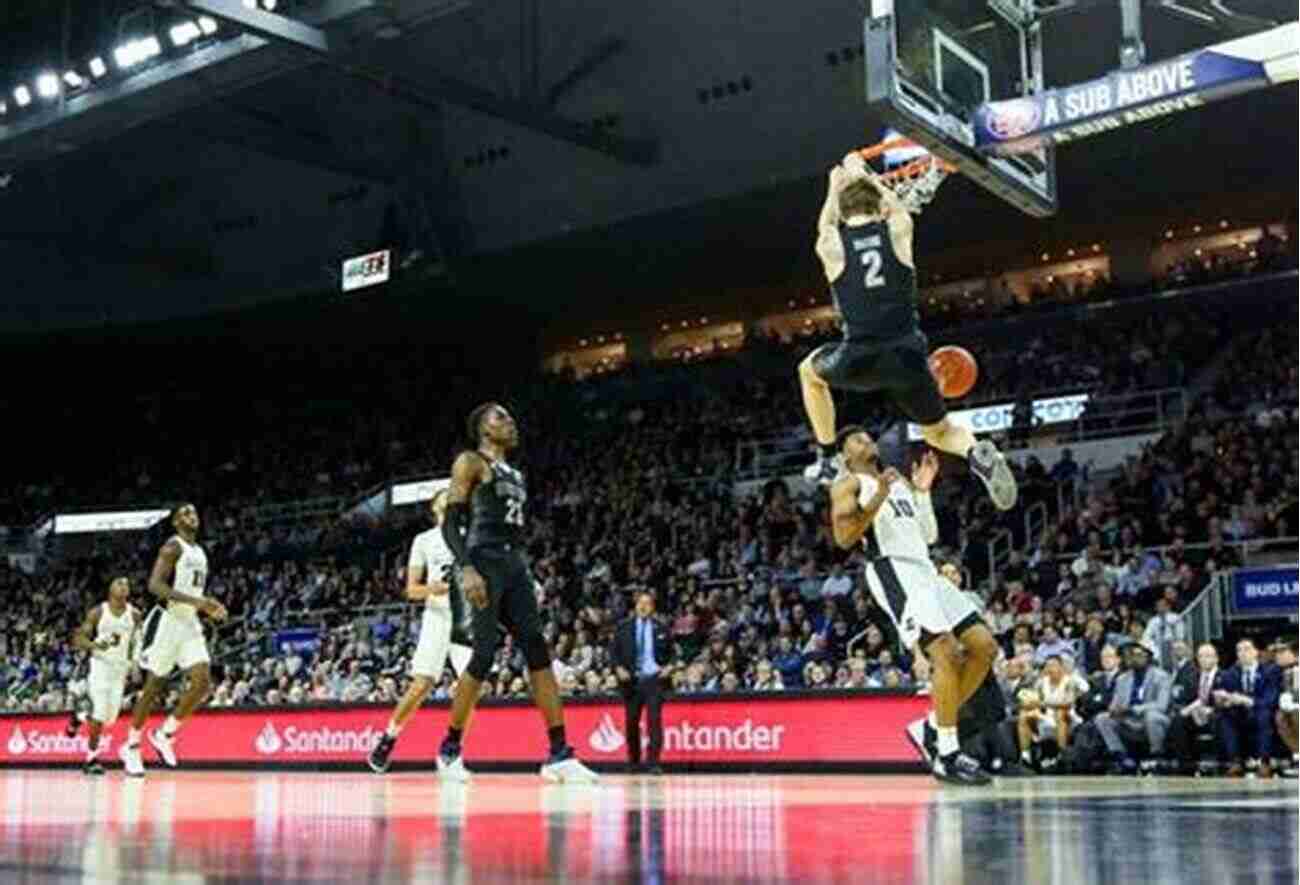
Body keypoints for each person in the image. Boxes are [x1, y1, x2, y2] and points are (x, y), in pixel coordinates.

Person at [797, 152, 1016, 513]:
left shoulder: (830, 245)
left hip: (859, 356)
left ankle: (825, 457)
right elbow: (892, 202)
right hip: (908, 355)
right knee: (939, 431)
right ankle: (975, 452)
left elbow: (826, 225)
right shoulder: (898, 228)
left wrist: (833, 187)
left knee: (808, 373)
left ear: (842, 209)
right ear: (880, 207)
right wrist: (862, 173)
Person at [435, 403, 597, 784]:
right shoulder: (470, 462)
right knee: (485, 653)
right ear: (483, 429)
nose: (510, 422)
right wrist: (467, 568)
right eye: (500, 418)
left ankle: (559, 754)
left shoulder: (517, 474)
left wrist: (525, 575)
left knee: (538, 650)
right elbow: (451, 525)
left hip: (513, 564)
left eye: (510, 416)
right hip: (482, 561)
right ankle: (449, 749)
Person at [829, 431, 997, 785]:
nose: (866, 441)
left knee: (984, 646)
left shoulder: (897, 478)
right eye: (856, 441)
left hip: (925, 568)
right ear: (846, 458)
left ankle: (930, 728)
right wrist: (879, 499)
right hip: (893, 569)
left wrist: (922, 492)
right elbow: (844, 538)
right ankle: (947, 755)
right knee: (946, 654)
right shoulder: (847, 484)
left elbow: (929, 535)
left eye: (866, 437)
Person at [368, 489, 474, 773]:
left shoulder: (472, 536)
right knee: (422, 685)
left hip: (466, 620)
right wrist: (433, 588)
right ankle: (388, 738)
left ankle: (450, 750)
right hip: (437, 618)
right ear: (435, 508)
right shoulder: (424, 541)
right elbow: (411, 589)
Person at [119, 504, 228, 777]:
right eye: (187, 514)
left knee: (202, 682)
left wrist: (209, 604)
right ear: (177, 523)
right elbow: (155, 586)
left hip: (189, 622)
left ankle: (164, 733)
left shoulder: (200, 552)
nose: (194, 517)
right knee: (153, 687)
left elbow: (193, 591)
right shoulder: (172, 547)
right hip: (167, 622)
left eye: (195, 512)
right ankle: (131, 745)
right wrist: (198, 602)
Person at [66, 577, 139, 775]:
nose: (124, 585)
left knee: (109, 720)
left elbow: (136, 642)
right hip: (100, 667)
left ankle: (79, 717)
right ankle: (91, 759)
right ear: (110, 589)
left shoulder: (135, 614)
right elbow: (79, 638)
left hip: (120, 669)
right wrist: (95, 645)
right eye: (119, 583)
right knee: (99, 713)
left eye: (126, 583)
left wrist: (135, 665)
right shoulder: (98, 612)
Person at [610, 591, 672, 774]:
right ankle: (633, 761)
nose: (643, 606)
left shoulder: (661, 628)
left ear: (652, 607)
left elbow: (673, 652)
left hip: (654, 679)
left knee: (654, 721)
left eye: (647, 603)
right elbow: (613, 652)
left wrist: (670, 666)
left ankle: (653, 762)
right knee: (631, 721)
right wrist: (618, 668)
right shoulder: (623, 627)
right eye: (640, 603)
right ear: (635, 606)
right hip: (632, 680)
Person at [1093, 642, 1172, 775]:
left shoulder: (1161, 676)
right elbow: (1115, 703)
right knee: (1102, 718)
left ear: (1148, 657)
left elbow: (1161, 705)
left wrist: (1134, 709)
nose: (1134, 658)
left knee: (1152, 716)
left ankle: (1156, 757)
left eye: (1138, 655)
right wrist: (1114, 709)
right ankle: (1122, 757)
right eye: (1131, 655)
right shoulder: (1122, 678)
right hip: (1128, 720)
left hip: (1151, 719)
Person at [1215, 638, 1281, 778]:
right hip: (1240, 713)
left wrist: (1246, 701)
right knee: (1225, 715)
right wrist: (1224, 699)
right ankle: (1235, 761)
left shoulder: (1270, 671)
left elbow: (1270, 700)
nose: (1242, 653)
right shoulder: (1230, 674)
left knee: (1264, 714)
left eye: (1247, 649)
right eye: (1239, 650)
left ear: (1256, 652)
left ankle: (1264, 761)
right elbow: (1222, 695)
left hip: (1261, 710)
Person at [1168, 642, 1227, 775]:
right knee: (1178, 721)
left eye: (1208, 656)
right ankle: (1186, 766)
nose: (1204, 659)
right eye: (1201, 656)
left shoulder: (1225, 676)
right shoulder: (1192, 678)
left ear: (1216, 658)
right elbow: (1184, 700)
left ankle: (1220, 764)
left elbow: (1226, 701)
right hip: (1195, 715)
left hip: (1215, 714)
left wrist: (1211, 710)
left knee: (1220, 719)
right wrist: (1189, 710)